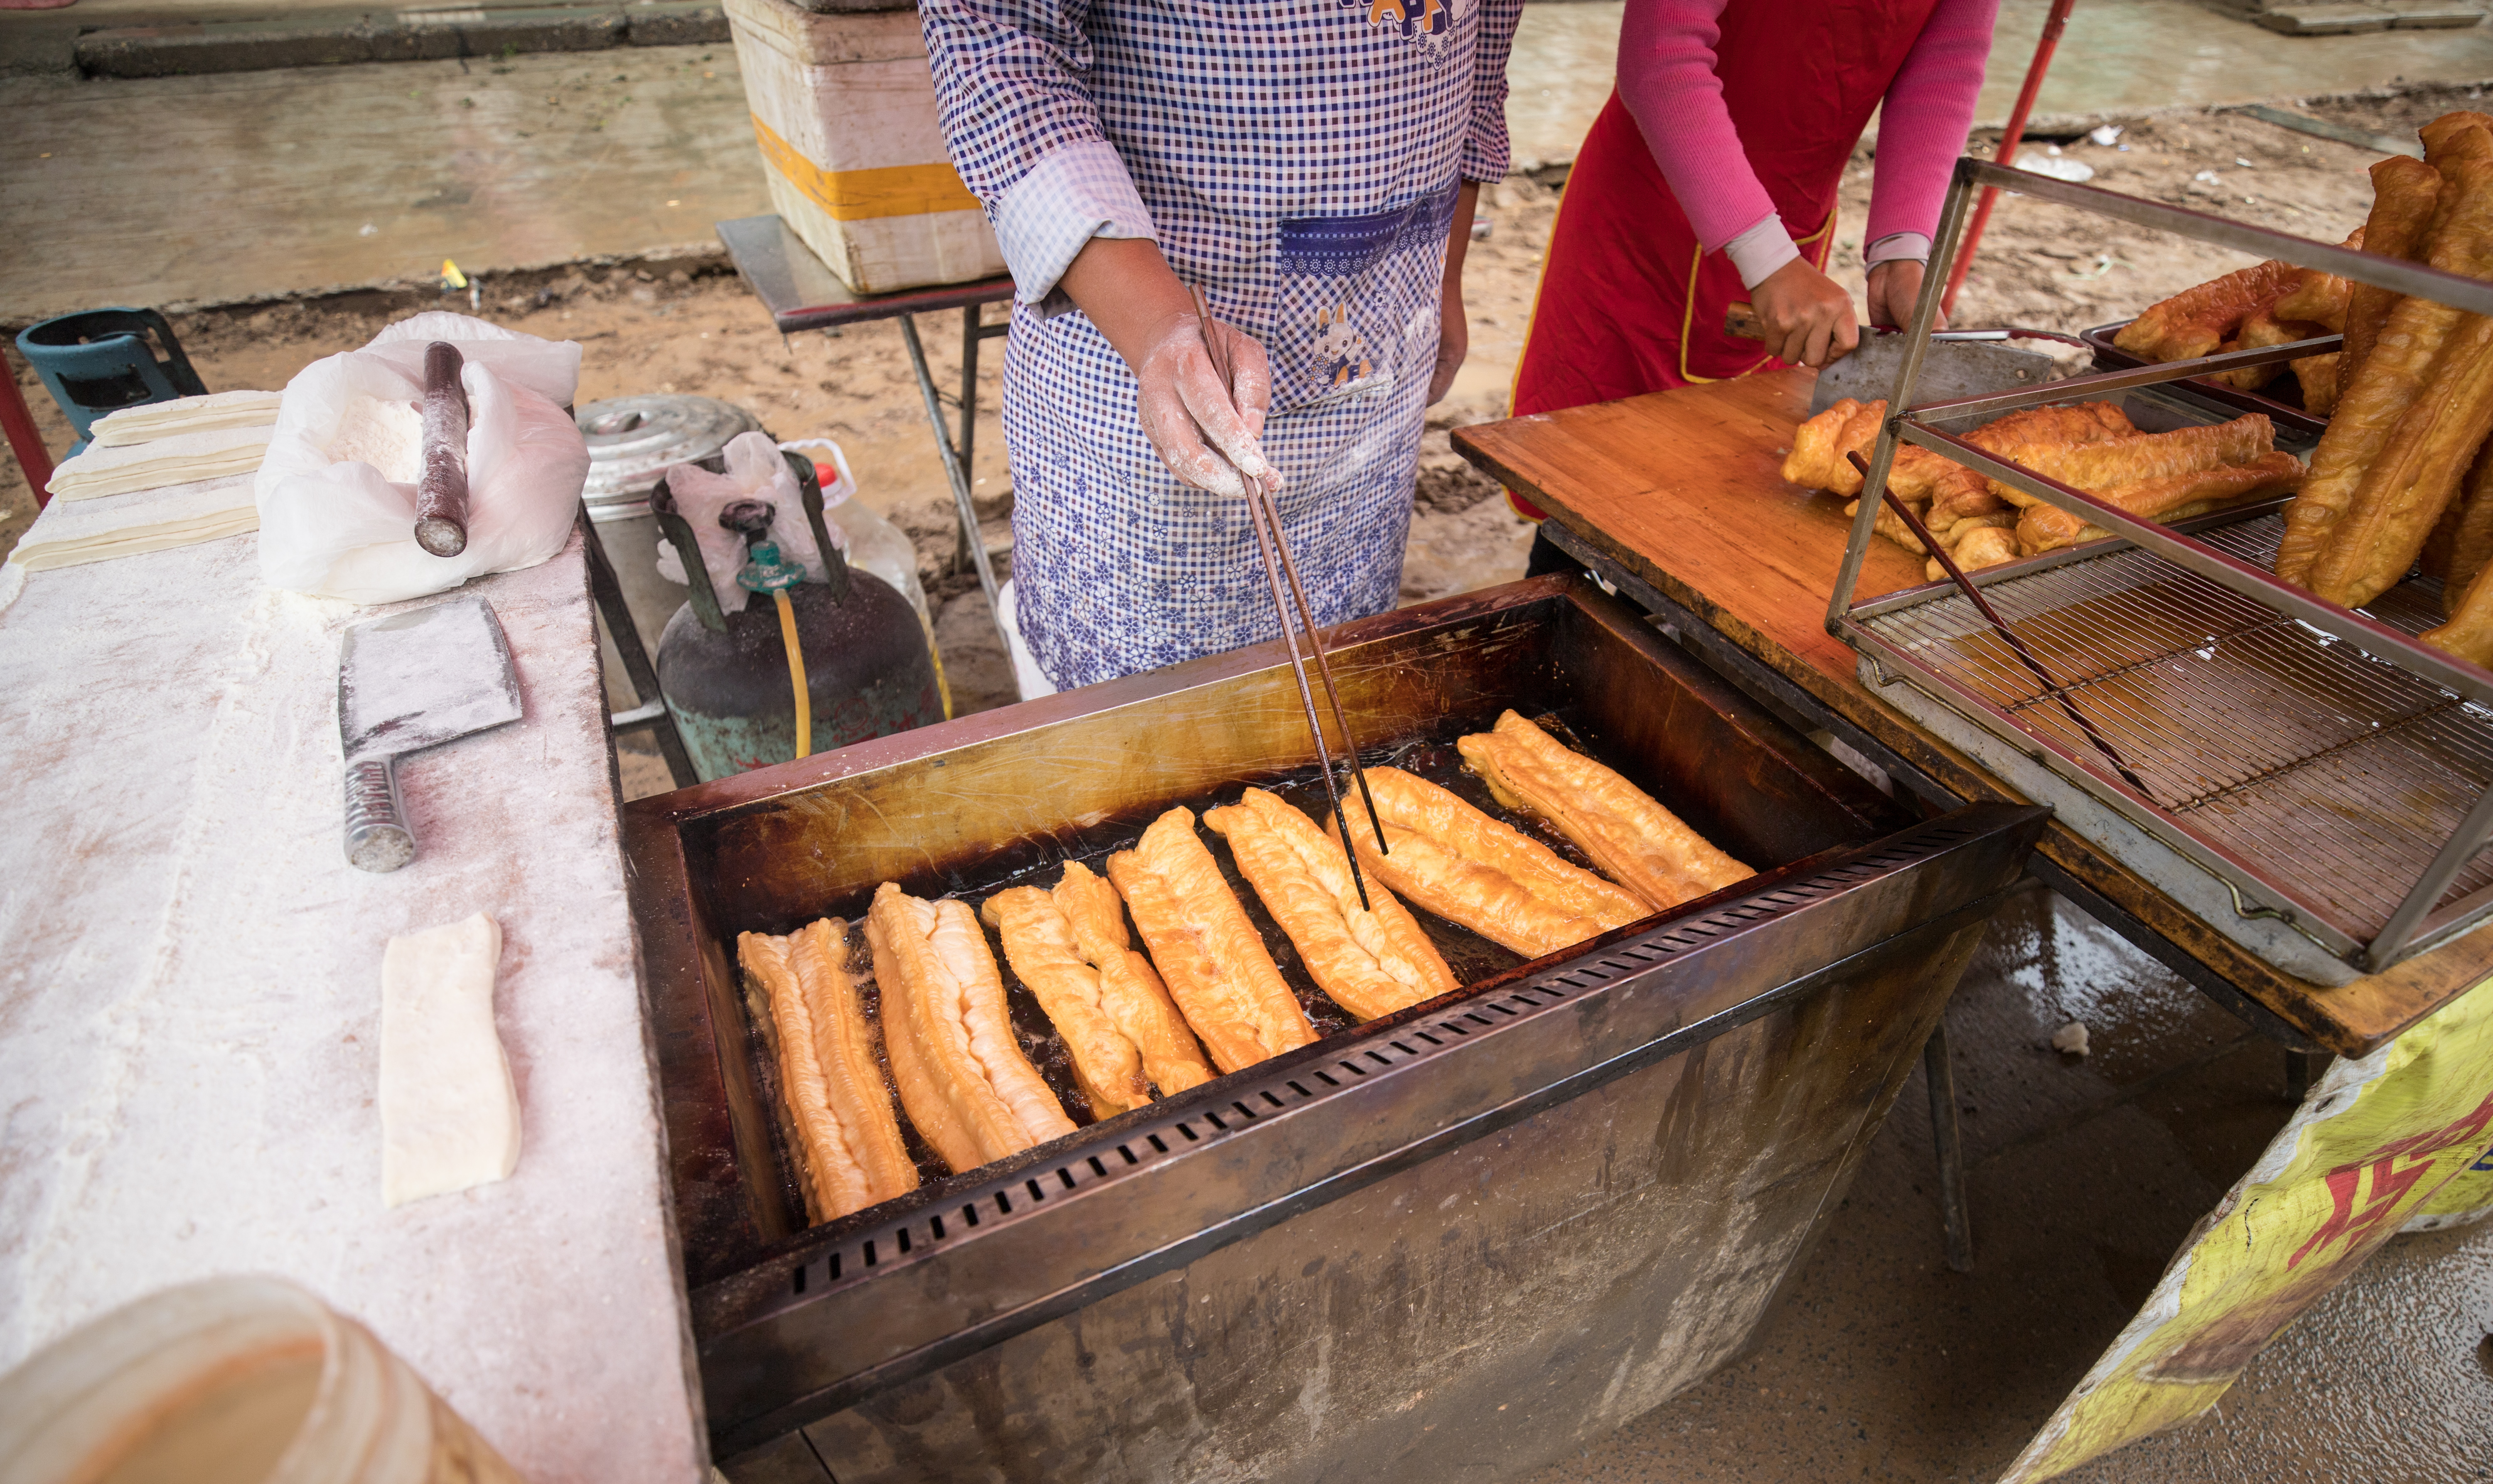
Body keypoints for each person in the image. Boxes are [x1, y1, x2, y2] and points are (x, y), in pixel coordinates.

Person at [922, 0, 1524, 691]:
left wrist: (1444, 272)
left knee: (1337, 679)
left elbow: (1487, 54)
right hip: (1144, 367)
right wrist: (1157, 326)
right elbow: (1003, 60)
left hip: (1388, 346)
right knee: (1141, 730)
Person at [1509, 0, 1999, 572]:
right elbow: (1661, 50)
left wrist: (1901, 251)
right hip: (1650, 212)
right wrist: (1766, 259)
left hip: (1796, 227)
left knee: (1737, 487)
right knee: (1592, 484)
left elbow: (1944, 66)